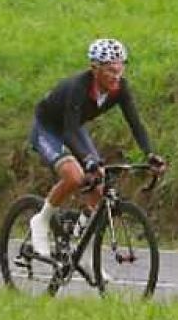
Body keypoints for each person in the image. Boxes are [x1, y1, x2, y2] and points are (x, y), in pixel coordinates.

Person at [26, 38, 166, 257]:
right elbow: (69, 131)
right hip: (49, 128)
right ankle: (41, 221)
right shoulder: (78, 88)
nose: (116, 76)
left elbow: (135, 124)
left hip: (72, 127)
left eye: (120, 69)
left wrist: (150, 154)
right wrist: (87, 160)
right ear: (95, 69)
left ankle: (82, 250)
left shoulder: (120, 88)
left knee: (98, 187)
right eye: (110, 71)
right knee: (75, 176)